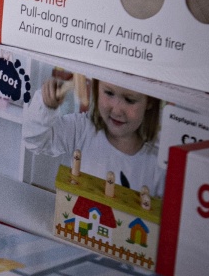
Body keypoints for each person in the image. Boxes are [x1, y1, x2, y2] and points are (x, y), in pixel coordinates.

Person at [23, 70, 163, 196]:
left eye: (130, 100)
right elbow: (35, 141)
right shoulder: (81, 128)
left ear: (150, 101)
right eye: (109, 93)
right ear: (97, 88)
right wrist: (45, 105)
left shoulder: (159, 161)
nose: (116, 110)